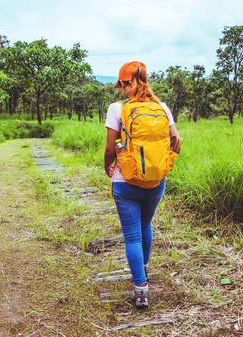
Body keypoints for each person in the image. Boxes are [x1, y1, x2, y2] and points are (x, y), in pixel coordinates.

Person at [103, 61, 182, 310]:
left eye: (122, 86)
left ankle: (141, 289)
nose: (121, 91)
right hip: (156, 182)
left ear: (127, 83)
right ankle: (144, 271)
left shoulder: (117, 109)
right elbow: (176, 140)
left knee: (132, 237)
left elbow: (109, 148)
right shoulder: (162, 107)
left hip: (125, 183)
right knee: (146, 225)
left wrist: (108, 165)